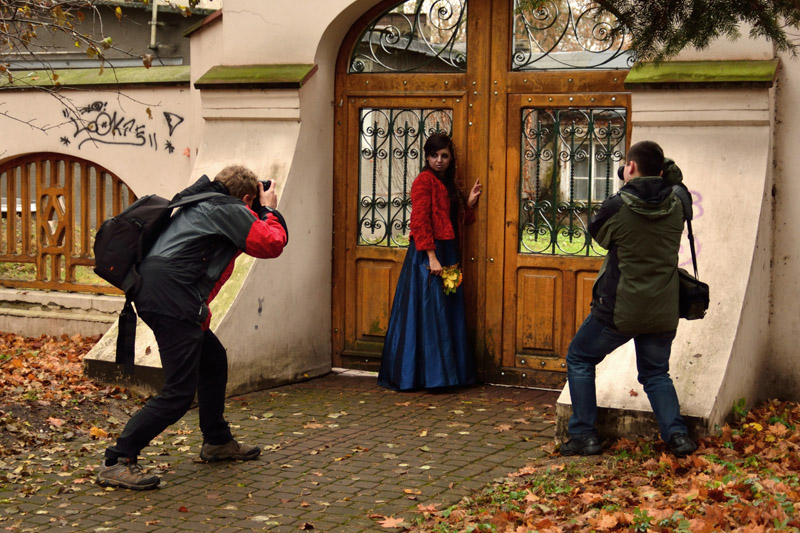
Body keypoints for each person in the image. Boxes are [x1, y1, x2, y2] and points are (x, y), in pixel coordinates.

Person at [96, 165, 288, 490]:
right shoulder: (228, 208)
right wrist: (268, 208)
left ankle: (217, 441)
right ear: (245, 197)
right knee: (178, 393)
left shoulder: (201, 202)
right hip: (173, 299)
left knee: (212, 361)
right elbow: (270, 243)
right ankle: (118, 459)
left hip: (162, 294)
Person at [559, 140, 698, 458]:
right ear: (662, 170)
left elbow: (599, 235)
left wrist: (628, 181)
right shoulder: (678, 200)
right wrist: (664, 173)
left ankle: (583, 436)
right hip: (663, 308)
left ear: (630, 167)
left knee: (580, 358)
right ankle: (677, 437)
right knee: (655, 372)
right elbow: (679, 186)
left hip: (619, 310)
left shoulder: (617, 205)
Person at [378, 133, 482, 391]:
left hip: (448, 252)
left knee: (446, 311)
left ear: (450, 158)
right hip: (428, 255)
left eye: (444, 156)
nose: (439, 160)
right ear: (426, 157)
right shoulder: (424, 181)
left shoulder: (447, 183)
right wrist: (432, 257)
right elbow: (420, 222)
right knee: (428, 311)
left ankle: (447, 374)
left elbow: (455, 218)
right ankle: (427, 376)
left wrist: (467, 202)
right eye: (434, 155)